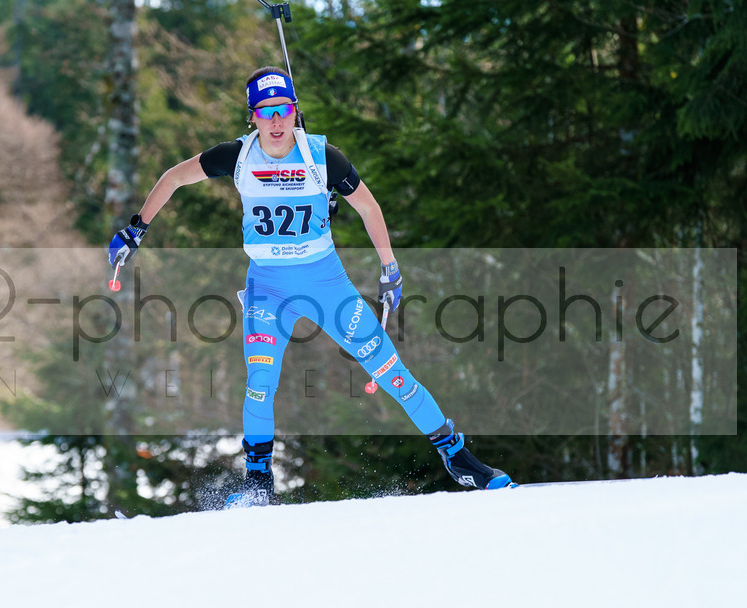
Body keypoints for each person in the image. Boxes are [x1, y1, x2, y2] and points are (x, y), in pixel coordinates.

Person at [108, 66, 512, 507]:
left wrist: (389, 268)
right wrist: (136, 230)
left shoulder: (324, 158)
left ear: (295, 112)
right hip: (268, 290)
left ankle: (457, 457)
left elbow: (369, 208)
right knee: (260, 382)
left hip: (327, 286)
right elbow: (173, 177)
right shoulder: (237, 156)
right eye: (265, 113)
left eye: (282, 110)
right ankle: (258, 483)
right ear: (253, 119)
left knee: (391, 371)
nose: (276, 122)